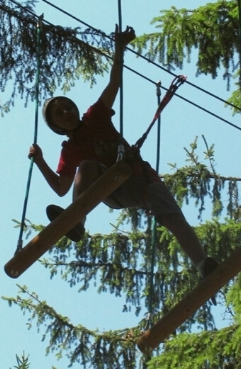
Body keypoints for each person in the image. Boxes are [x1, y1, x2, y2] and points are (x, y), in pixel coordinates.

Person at [28, 25, 219, 279]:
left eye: (67, 108)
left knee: (171, 215)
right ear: (56, 127)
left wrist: (120, 48)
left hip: (139, 179)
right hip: (108, 189)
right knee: (86, 166)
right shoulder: (69, 150)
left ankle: (202, 264)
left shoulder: (95, 117)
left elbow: (114, 83)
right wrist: (40, 161)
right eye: (59, 114)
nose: (66, 113)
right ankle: (76, 222)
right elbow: (61, 187)